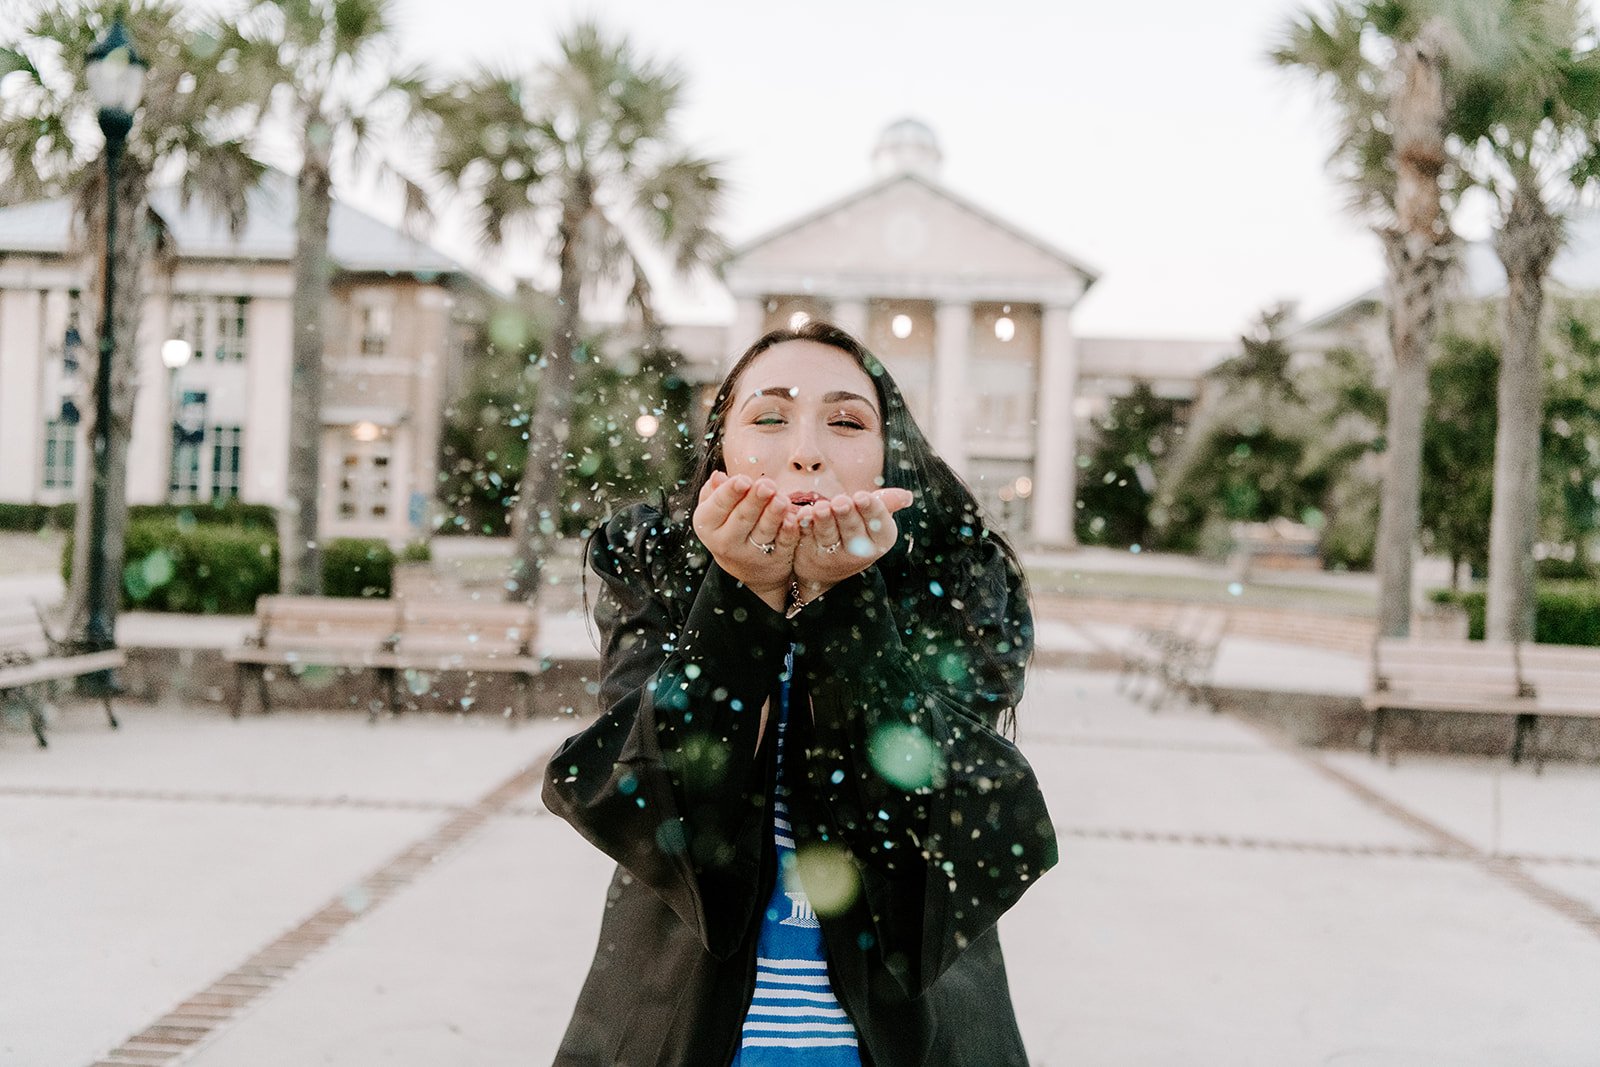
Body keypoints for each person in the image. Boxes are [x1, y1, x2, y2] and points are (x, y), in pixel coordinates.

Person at [543, 321, 1058, 1066]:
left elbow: (934, 824)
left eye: (847, 420)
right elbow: (658, 800)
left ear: (890, 453)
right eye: (770, 416)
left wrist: (844, 603)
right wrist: (741, 599)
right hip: (676, 1028)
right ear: (722, 448)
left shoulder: (955, 577)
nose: (807, 448)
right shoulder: (659, 567)